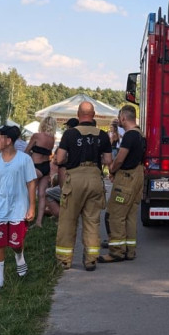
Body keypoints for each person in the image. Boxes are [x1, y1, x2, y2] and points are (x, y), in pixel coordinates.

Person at [53, 102, 112, 271]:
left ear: (78, 114)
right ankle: (91, 260)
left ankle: (65, 260)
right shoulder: (103, 135)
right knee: (92, 221)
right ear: (93, 115)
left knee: (68, 220)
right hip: (94, 178)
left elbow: (60, 158)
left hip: (75, 179)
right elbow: (108, 161)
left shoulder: (69, 134)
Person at [0, 124, 37, 293]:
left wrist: (32, 207)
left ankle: (19, 256)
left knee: (16, 242)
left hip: (18, 209)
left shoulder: (24, 160)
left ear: (8, 141)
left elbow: (31, 184)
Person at [98, 104, 145, 263]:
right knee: (130, 215)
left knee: (115, 215)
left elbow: (120, 158)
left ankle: (116, 252)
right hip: (137, 177)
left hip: (125, 179)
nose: (119, 120)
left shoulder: (130, 136)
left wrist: (111, 170)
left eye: (119, 118)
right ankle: (130, 251)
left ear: (123, 118)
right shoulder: (140, 134)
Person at [25, 117, 57, 228]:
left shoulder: (37, 136)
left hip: (35, 166)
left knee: (28, 192)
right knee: (42, 194)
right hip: (45, 167)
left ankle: (27, 218)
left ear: (43, 124)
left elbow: (27, 150)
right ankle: (39, 222)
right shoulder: (52, 138)